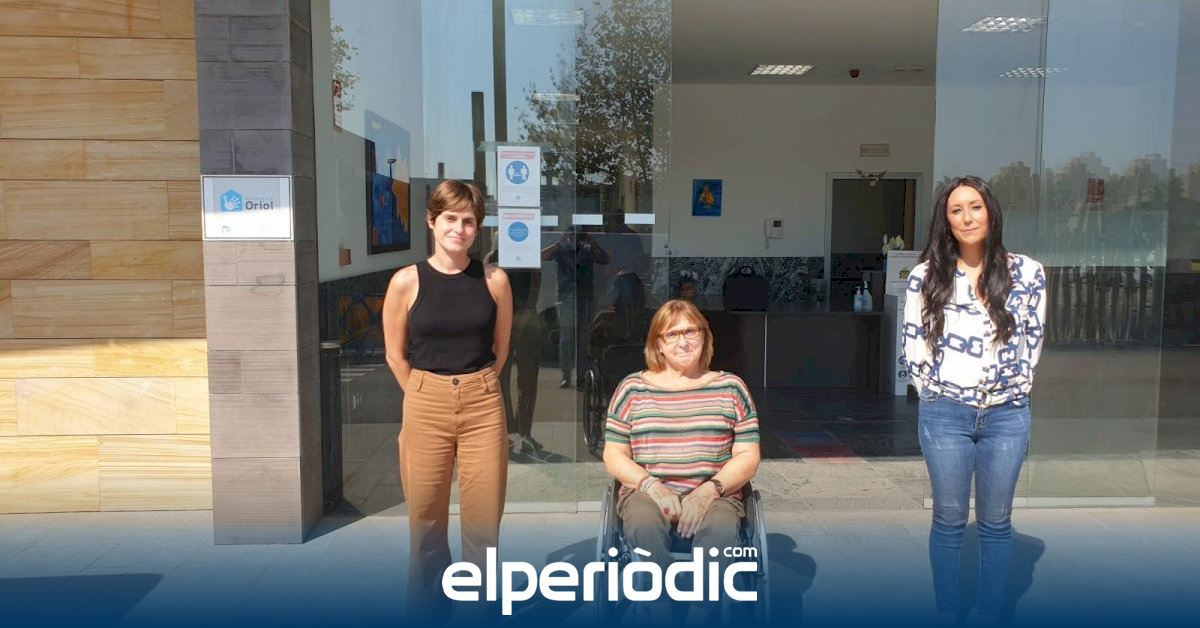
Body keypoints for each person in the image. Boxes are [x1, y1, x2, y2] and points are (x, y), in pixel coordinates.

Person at [902, 176, 1047, 624]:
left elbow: (1033, 340)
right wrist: (933, 393)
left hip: (1007, 414)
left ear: (991, 212)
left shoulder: (1028, 273)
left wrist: (1016, 389)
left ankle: (989, 613)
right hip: (946, 413)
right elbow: (914, 344)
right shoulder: (926, 276)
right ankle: (947, 612)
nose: (967, 217)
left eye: (975, 207)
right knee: (948, 518)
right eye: (956, 210)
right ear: (945, 221)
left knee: (996, 520)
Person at [382, 180, 513, 622]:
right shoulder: (406, 281)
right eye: (450, 218)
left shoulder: (494, 280)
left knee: (483, 525)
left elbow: (501, 349)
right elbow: (395, 354)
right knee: (425, 522)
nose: (459, 228)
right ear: (432, 221)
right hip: (425, 401)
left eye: (469, 221)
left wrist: (476, 388)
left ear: (478, 228)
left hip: (482, 403)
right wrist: (426, 394)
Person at [603, 299, 761, 617]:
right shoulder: (632, 389)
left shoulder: (731, 388)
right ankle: (661, 604)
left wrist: (708, 491)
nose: (683, 341)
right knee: (643, 524)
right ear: (658, 344)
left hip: (716, 495)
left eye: (691, 331)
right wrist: (651, 485)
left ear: (705, 337)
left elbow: (748, 455)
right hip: (646, 493)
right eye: (672, 334)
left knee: (720, 532)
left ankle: (703, 608)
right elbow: (614, 454)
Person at [484, 249, 545, 461]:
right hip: (506, 323)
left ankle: (523, 433)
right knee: (503, 381)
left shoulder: (527, 255)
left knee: (526, 383)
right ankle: (511, 433)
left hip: (523, 323)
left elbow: (534, 289)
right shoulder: (496, 256)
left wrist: (521, 321)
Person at [543, 227, 610, 388]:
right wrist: (559, 243)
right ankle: (566, 375)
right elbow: (541, 256)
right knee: (566, 338)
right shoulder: (562, 249)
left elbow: (605, 259)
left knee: (583, 338)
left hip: (584, 298)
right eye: (571, 235)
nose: (574, 239)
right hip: (566, 297)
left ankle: (580, 375)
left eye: (577, 235)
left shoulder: (587, 249)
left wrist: (592, 243)